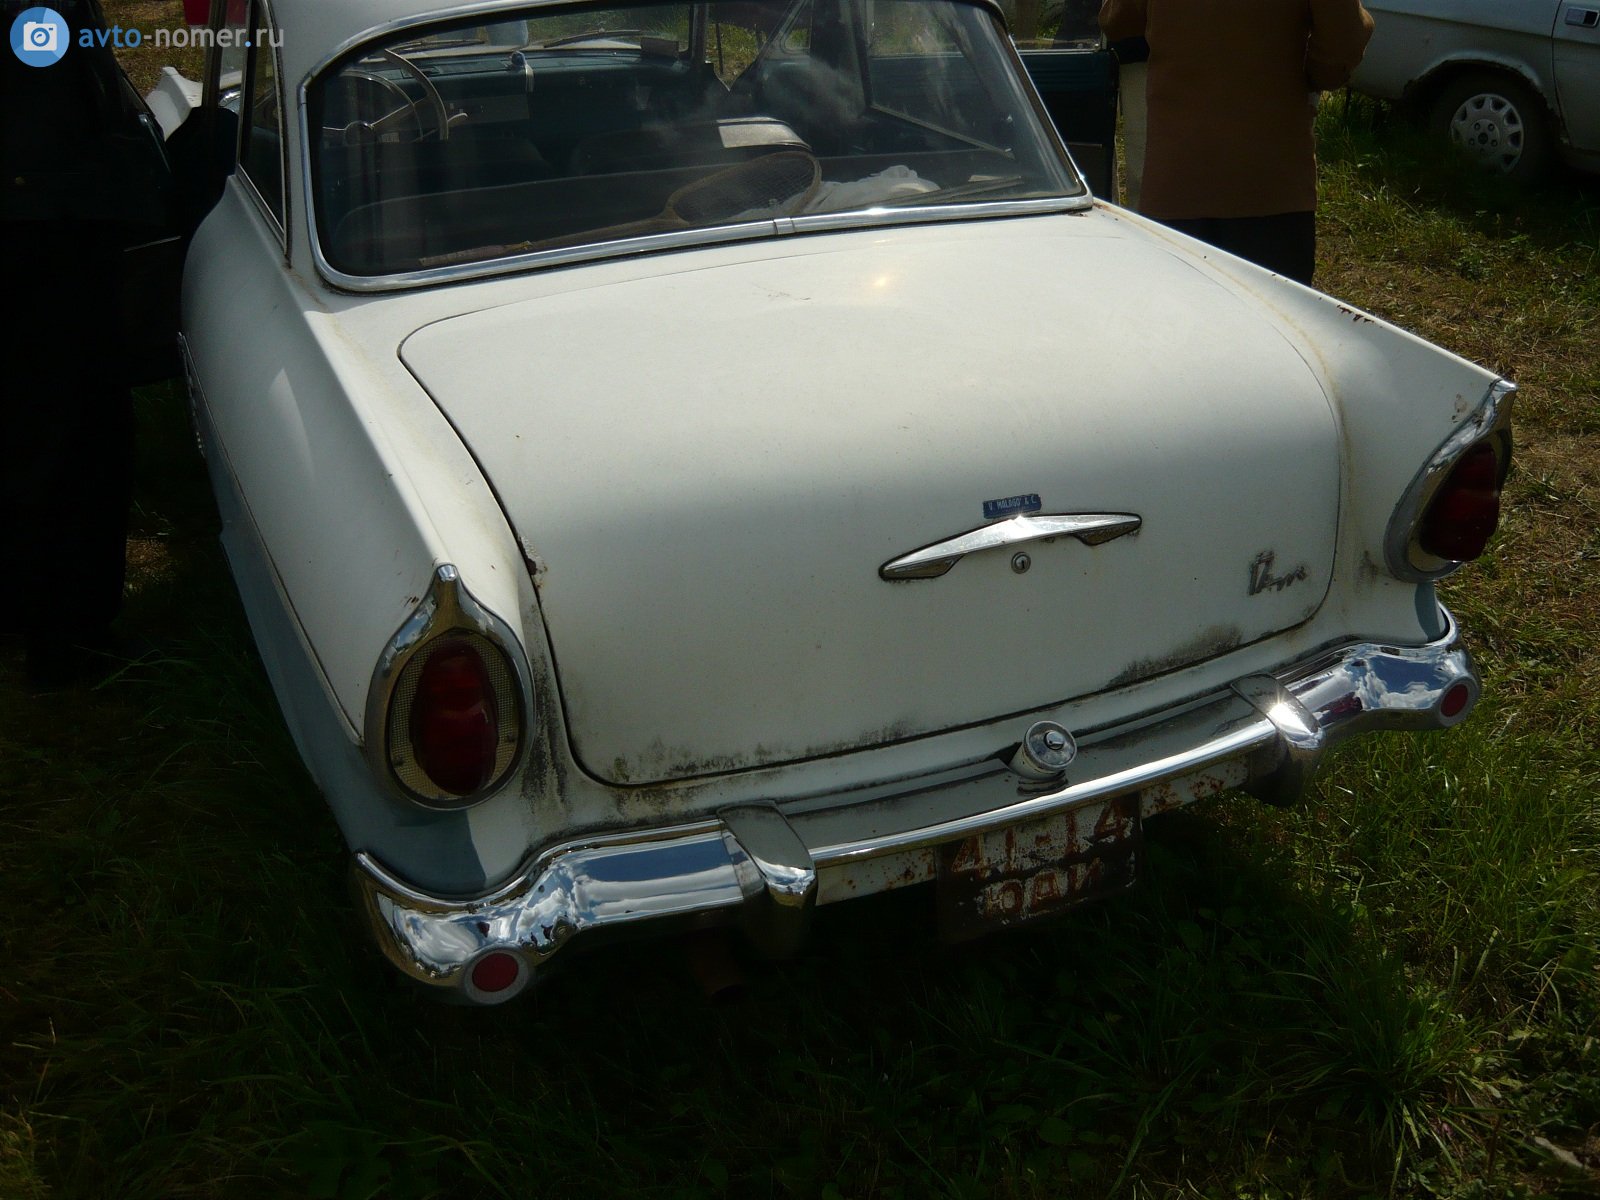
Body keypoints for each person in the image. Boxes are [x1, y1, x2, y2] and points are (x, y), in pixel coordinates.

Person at [1, 0, 177, 686]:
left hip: (40, 212)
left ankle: (31, 610)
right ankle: (68, 641)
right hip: (48, 225)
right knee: (73, 431)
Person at [1098, 0, 1373, 286]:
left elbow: (1116, 21)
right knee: (1272, 318)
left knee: (1184, 317)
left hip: (1178, 182)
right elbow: (1344, 42)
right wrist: (1311, 76)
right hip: (1269, 185)